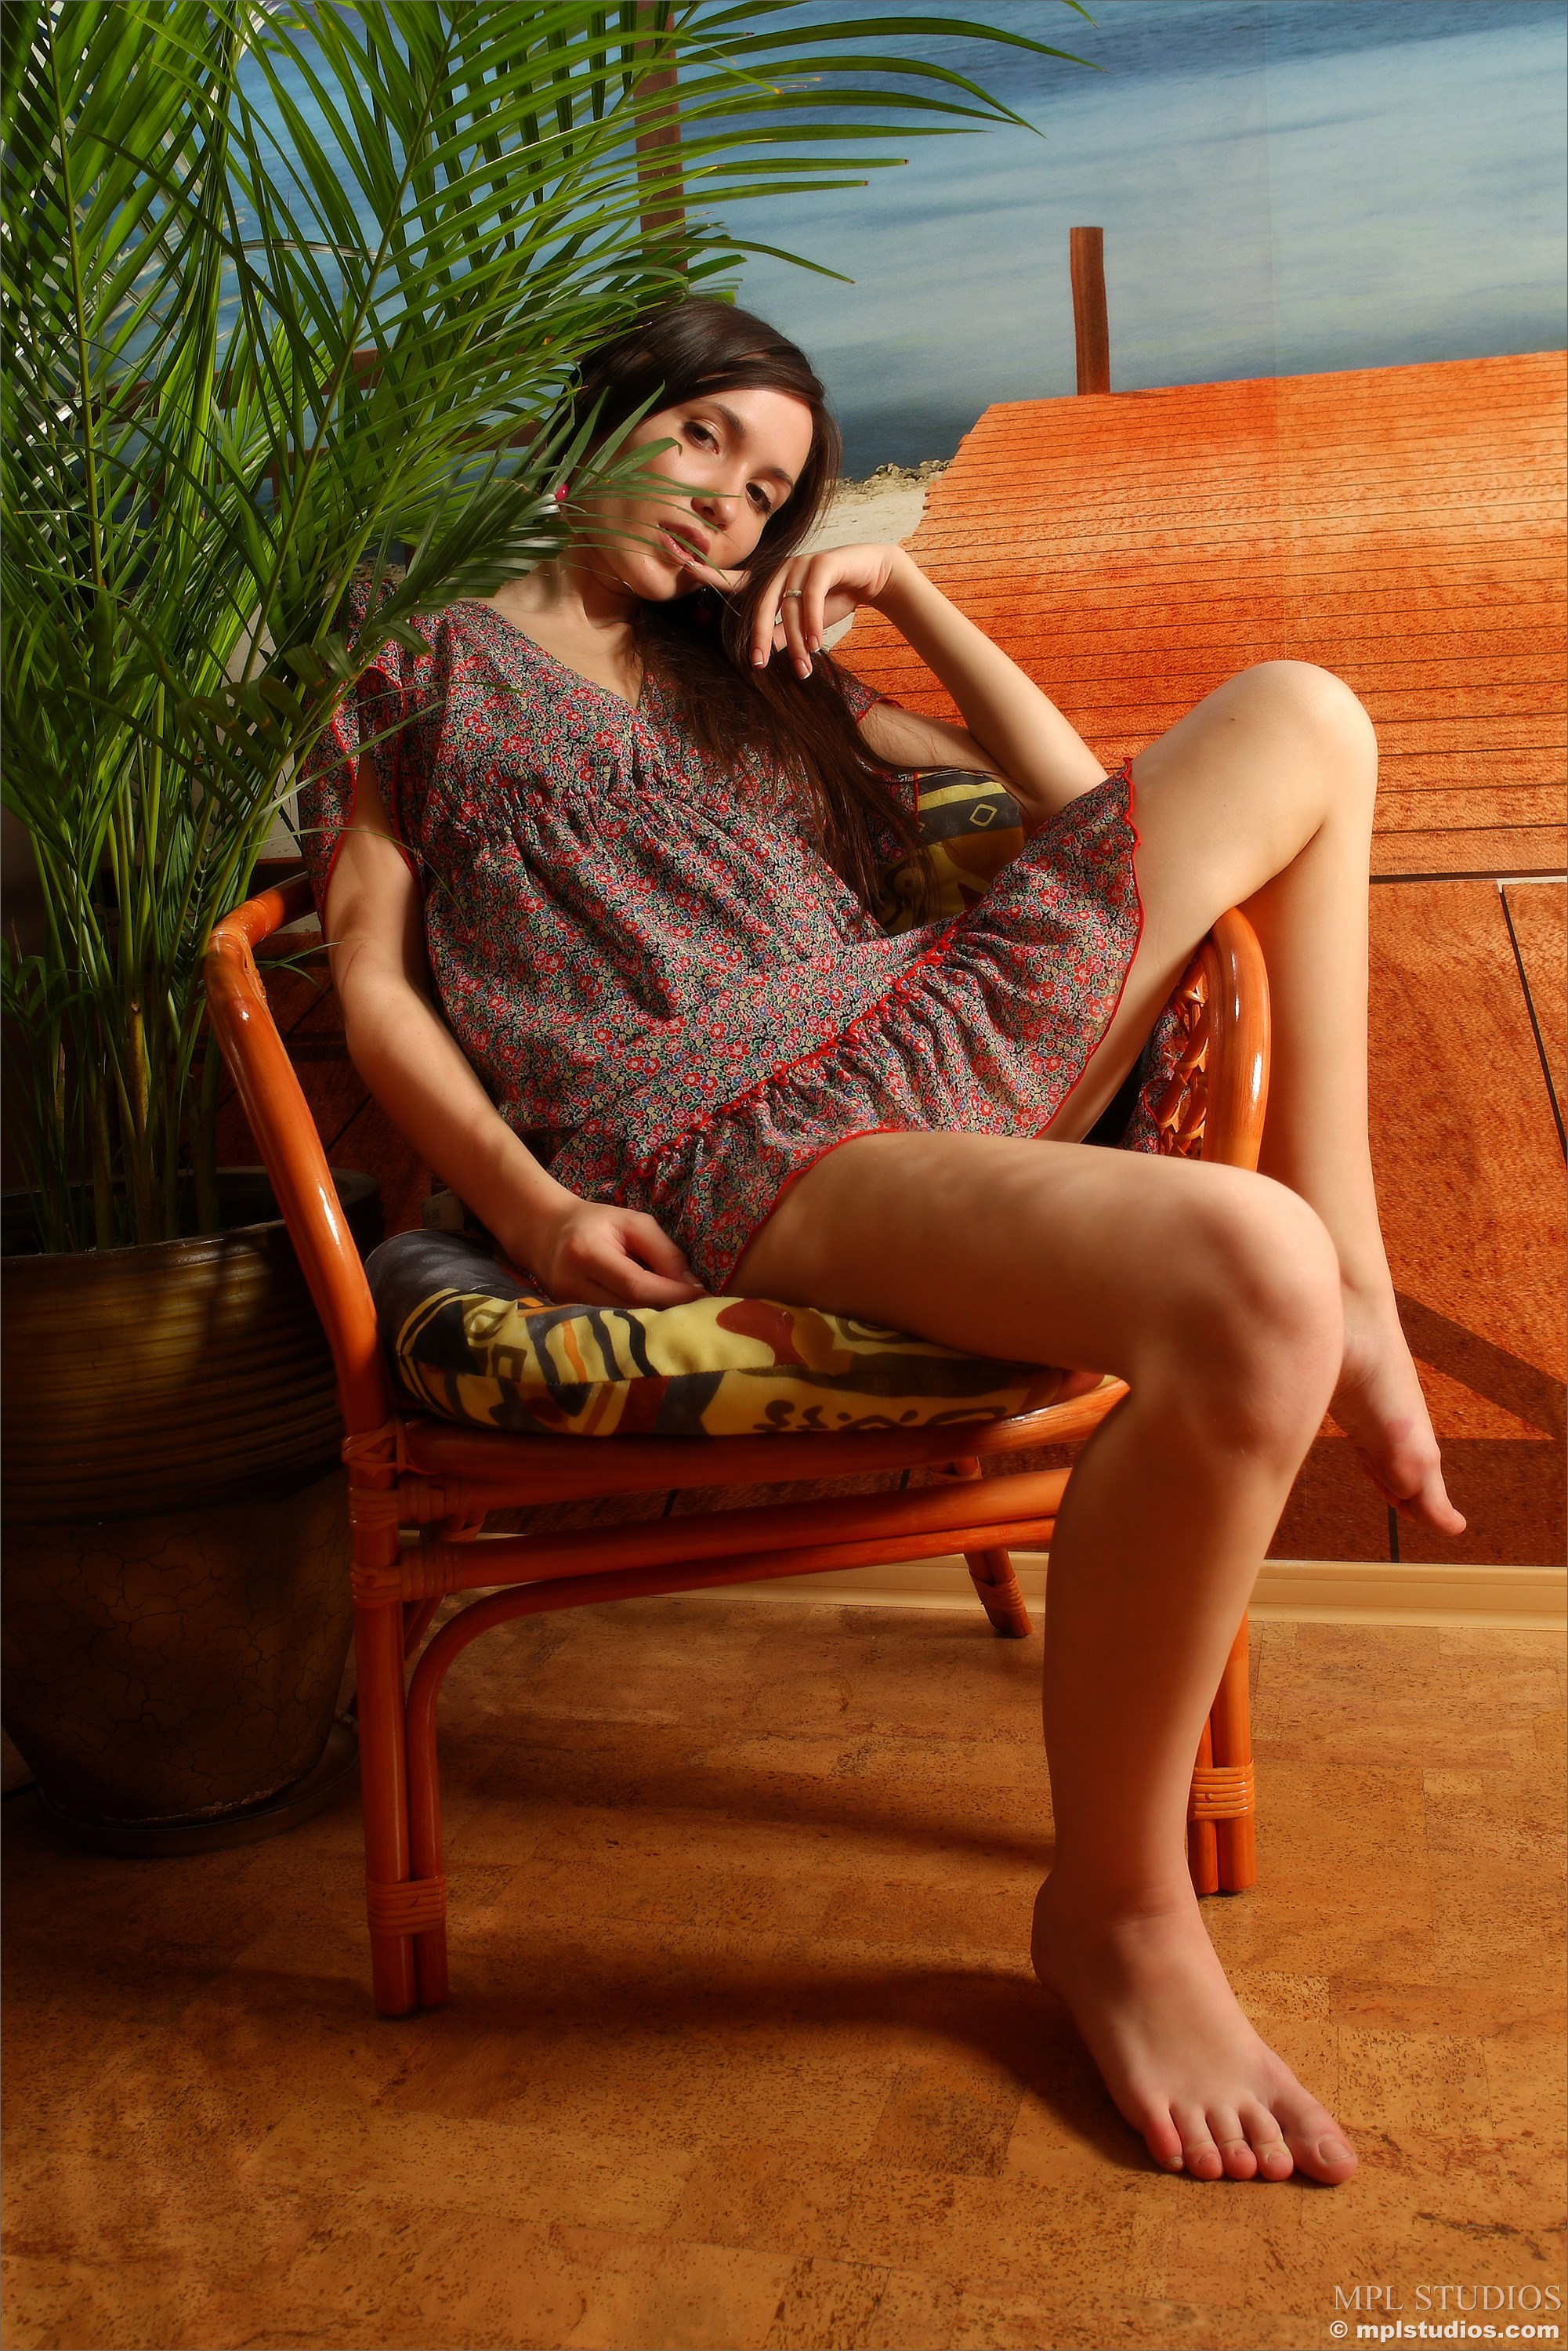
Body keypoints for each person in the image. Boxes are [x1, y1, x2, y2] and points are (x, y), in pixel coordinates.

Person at [303, 297, 1464, 2188]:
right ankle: (1117, 1911)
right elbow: (368, 978)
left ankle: (1351, 1251)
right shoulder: (420, 660)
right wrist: (531, 1206)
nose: (729, 507)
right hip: (737, 1125)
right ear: (599, 418)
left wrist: (907, 593)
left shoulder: (750, 670)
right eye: (703, 442)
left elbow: (1084, 819)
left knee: (1304, 712)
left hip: (931, 1018)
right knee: (1239, 1272)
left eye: (771, 492)